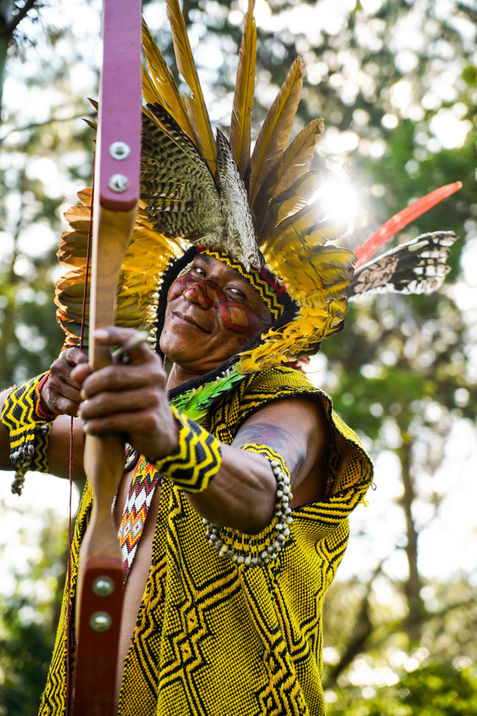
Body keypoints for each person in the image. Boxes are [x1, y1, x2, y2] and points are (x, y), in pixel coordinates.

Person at [0, 3, 456, 714]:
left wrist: (165, 432)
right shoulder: (119, 434)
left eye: (236, 291)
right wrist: (45, 394)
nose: (199, 290)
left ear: (267, 330)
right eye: (195, 270)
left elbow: (259, 489)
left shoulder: (286, 405)